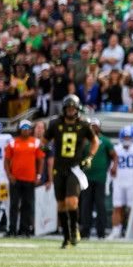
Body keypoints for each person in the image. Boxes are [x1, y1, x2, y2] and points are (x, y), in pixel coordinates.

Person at [44, 94, 98, 247]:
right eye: (68, 108)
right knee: (61, 204)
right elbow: (44, 140)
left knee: (71, 201)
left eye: (72, 108)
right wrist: (45, 147)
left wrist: (89, 157)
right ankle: (66, 237)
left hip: (74, 168)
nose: (70, 111)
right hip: (58, 168)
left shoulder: (84, 124)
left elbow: (95, 141)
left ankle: (74, 229)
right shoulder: (55, 124)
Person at [4, 121, 42, 237]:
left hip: (30, 178)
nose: (26, 130)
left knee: (28, 205)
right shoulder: (12, 142)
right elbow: (6, 160)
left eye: (28, 128)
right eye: (23, 127)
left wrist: (38, 175)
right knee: (14, 204)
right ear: (19, 129)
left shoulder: (36, 142)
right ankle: (12, 229)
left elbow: (41, 160)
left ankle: (25, 229)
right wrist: (9, 175)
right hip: (15, 178)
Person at [80, 118, 115, 239]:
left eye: (95, 126)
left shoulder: (104, 141)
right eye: (92, 126)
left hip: (101, 177)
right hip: (87, 177)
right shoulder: (85, 141)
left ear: (99, 128)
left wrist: (114, 167)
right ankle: (85, 230)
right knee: (86, 204)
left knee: (100, 204)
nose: (93, 128)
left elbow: (114, 155)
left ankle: (101, 231)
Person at [109, 126, 133, 239]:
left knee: (131, 208)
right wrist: (108, 180)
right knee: (117, 206)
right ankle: (116, 230)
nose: (127, 139)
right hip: (118, 181)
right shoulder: (116, 149)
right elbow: (111, 166)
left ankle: (130, 230)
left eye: (129, 137)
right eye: (125, 137)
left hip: (132, 181)